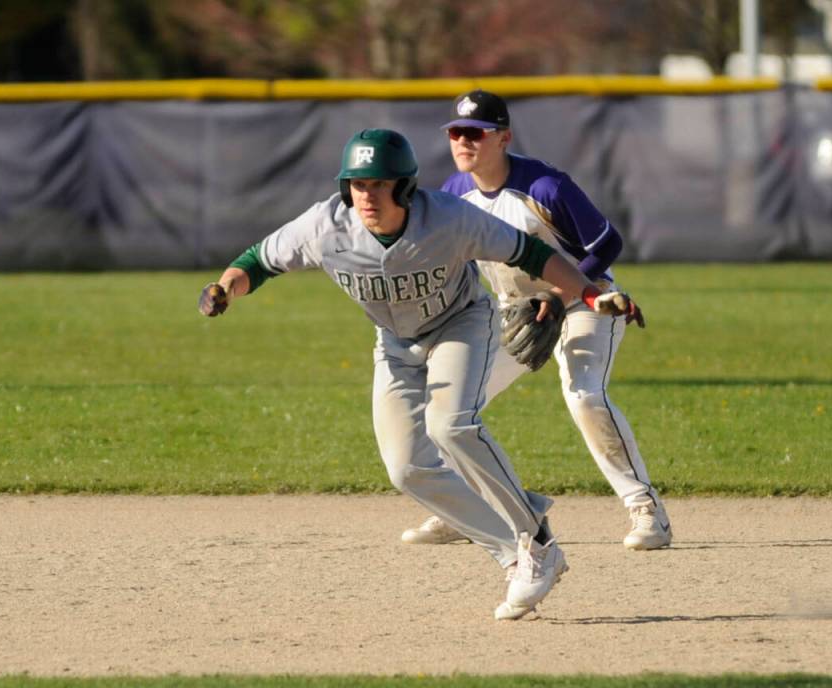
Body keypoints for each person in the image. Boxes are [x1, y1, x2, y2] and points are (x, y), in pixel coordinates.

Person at [198, 128, 624, 620]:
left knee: (452, 426)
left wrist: (589, 294)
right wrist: (225, 288)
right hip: (395, 345)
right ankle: (515, 554)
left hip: (461, 324)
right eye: (358, 184)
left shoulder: (449, 218)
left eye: (380, 184)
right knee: (407, 468)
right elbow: (258, 261)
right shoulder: (326, 227)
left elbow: (530, 254)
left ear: (405, 187)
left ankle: (539, 542)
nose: (368, 195)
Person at [401, 90, 672, 551]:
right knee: (445, 408)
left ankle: (646, 510)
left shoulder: (545, 187)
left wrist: (560, 291)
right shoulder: (455, 194)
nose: (463, 142)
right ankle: (467, 511)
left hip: (586, 302)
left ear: (503, 137)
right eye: (456, 133)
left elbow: (606, 246)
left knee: (584, 395)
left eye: (476, 134)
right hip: (515, 313)